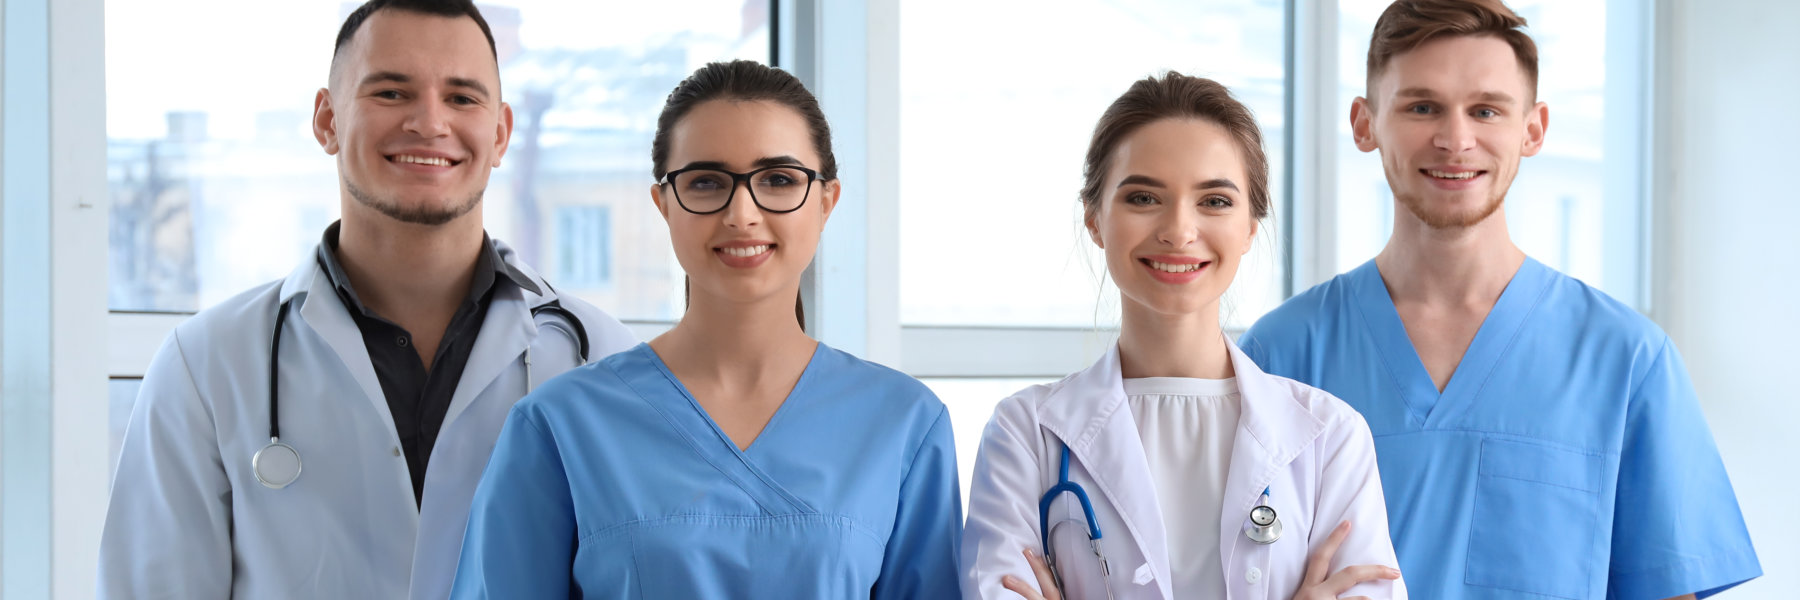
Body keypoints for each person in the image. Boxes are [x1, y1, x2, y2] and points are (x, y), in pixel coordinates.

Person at [96, 1, 636, 598]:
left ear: (501, 132)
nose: (430, 123)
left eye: (462, 98)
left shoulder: (605, 362)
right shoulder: (205, 366)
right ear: (327, 119)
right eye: (391, 93)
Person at [1237, 1, 1762, 599]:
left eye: (1485, 110)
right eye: (1422, 106)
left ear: (1533, 128)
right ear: (1365, 123)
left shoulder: (1627, 361)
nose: (1455, 139)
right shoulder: (1279, 357)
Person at [449, 59, 962, 599]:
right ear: (664, 203)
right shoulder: (560, 426)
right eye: (707, 182)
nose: (742, 213)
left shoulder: (903, 424)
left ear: (826, 201)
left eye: (779, 180)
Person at [962, 72, 1404, 600]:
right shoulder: (1025, 434)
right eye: (1144, 197)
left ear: (1248, 228)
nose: (1178, 230)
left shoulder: (1331, 437)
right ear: (1095, 219)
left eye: (1214, 201)